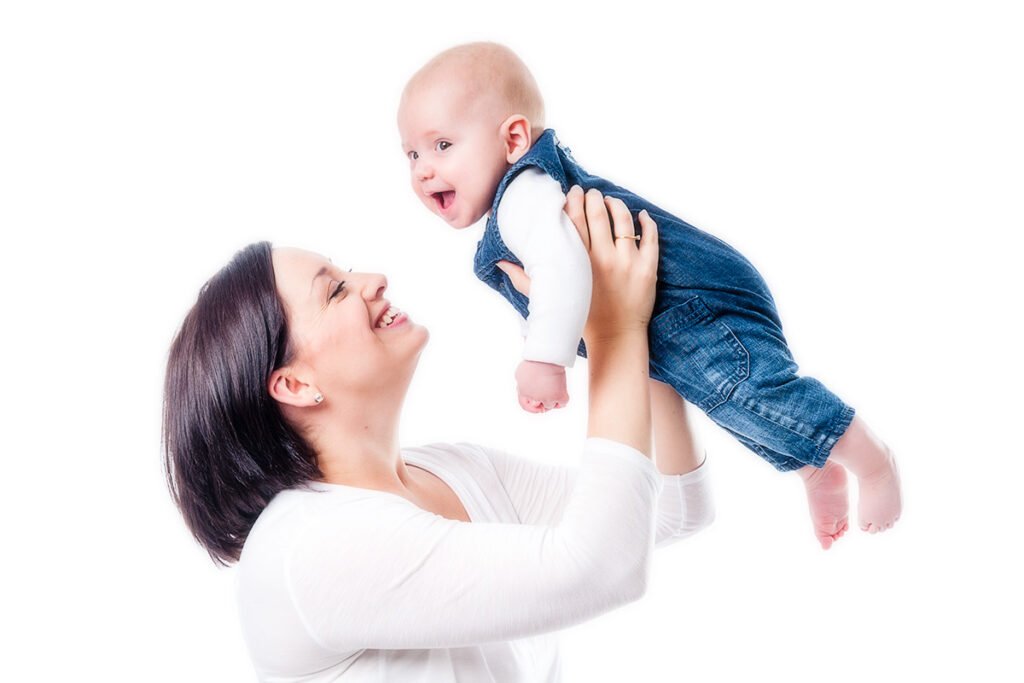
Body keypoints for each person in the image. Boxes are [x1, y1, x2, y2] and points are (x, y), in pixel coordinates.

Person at [162, 188, 715, 681]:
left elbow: (669, 510)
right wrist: (616, 328)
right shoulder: (307, 544)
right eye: (335, 292)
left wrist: (642, 326)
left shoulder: (457, 469)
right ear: (294, 383)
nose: (373, 280)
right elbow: (601, 568)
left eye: (347, 272)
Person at [396, 41, 902, 549]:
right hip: (677, 315)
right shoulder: (522, 201)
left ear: (513, 138)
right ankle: (814, 469)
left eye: (442, 146)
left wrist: (544, 358)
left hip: (693, 302)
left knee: (745, 390)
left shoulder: (522, 193)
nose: (422, 169)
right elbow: (555, 283)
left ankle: (872, 461)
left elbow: (561, 270)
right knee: (723, 399)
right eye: (412, 153)